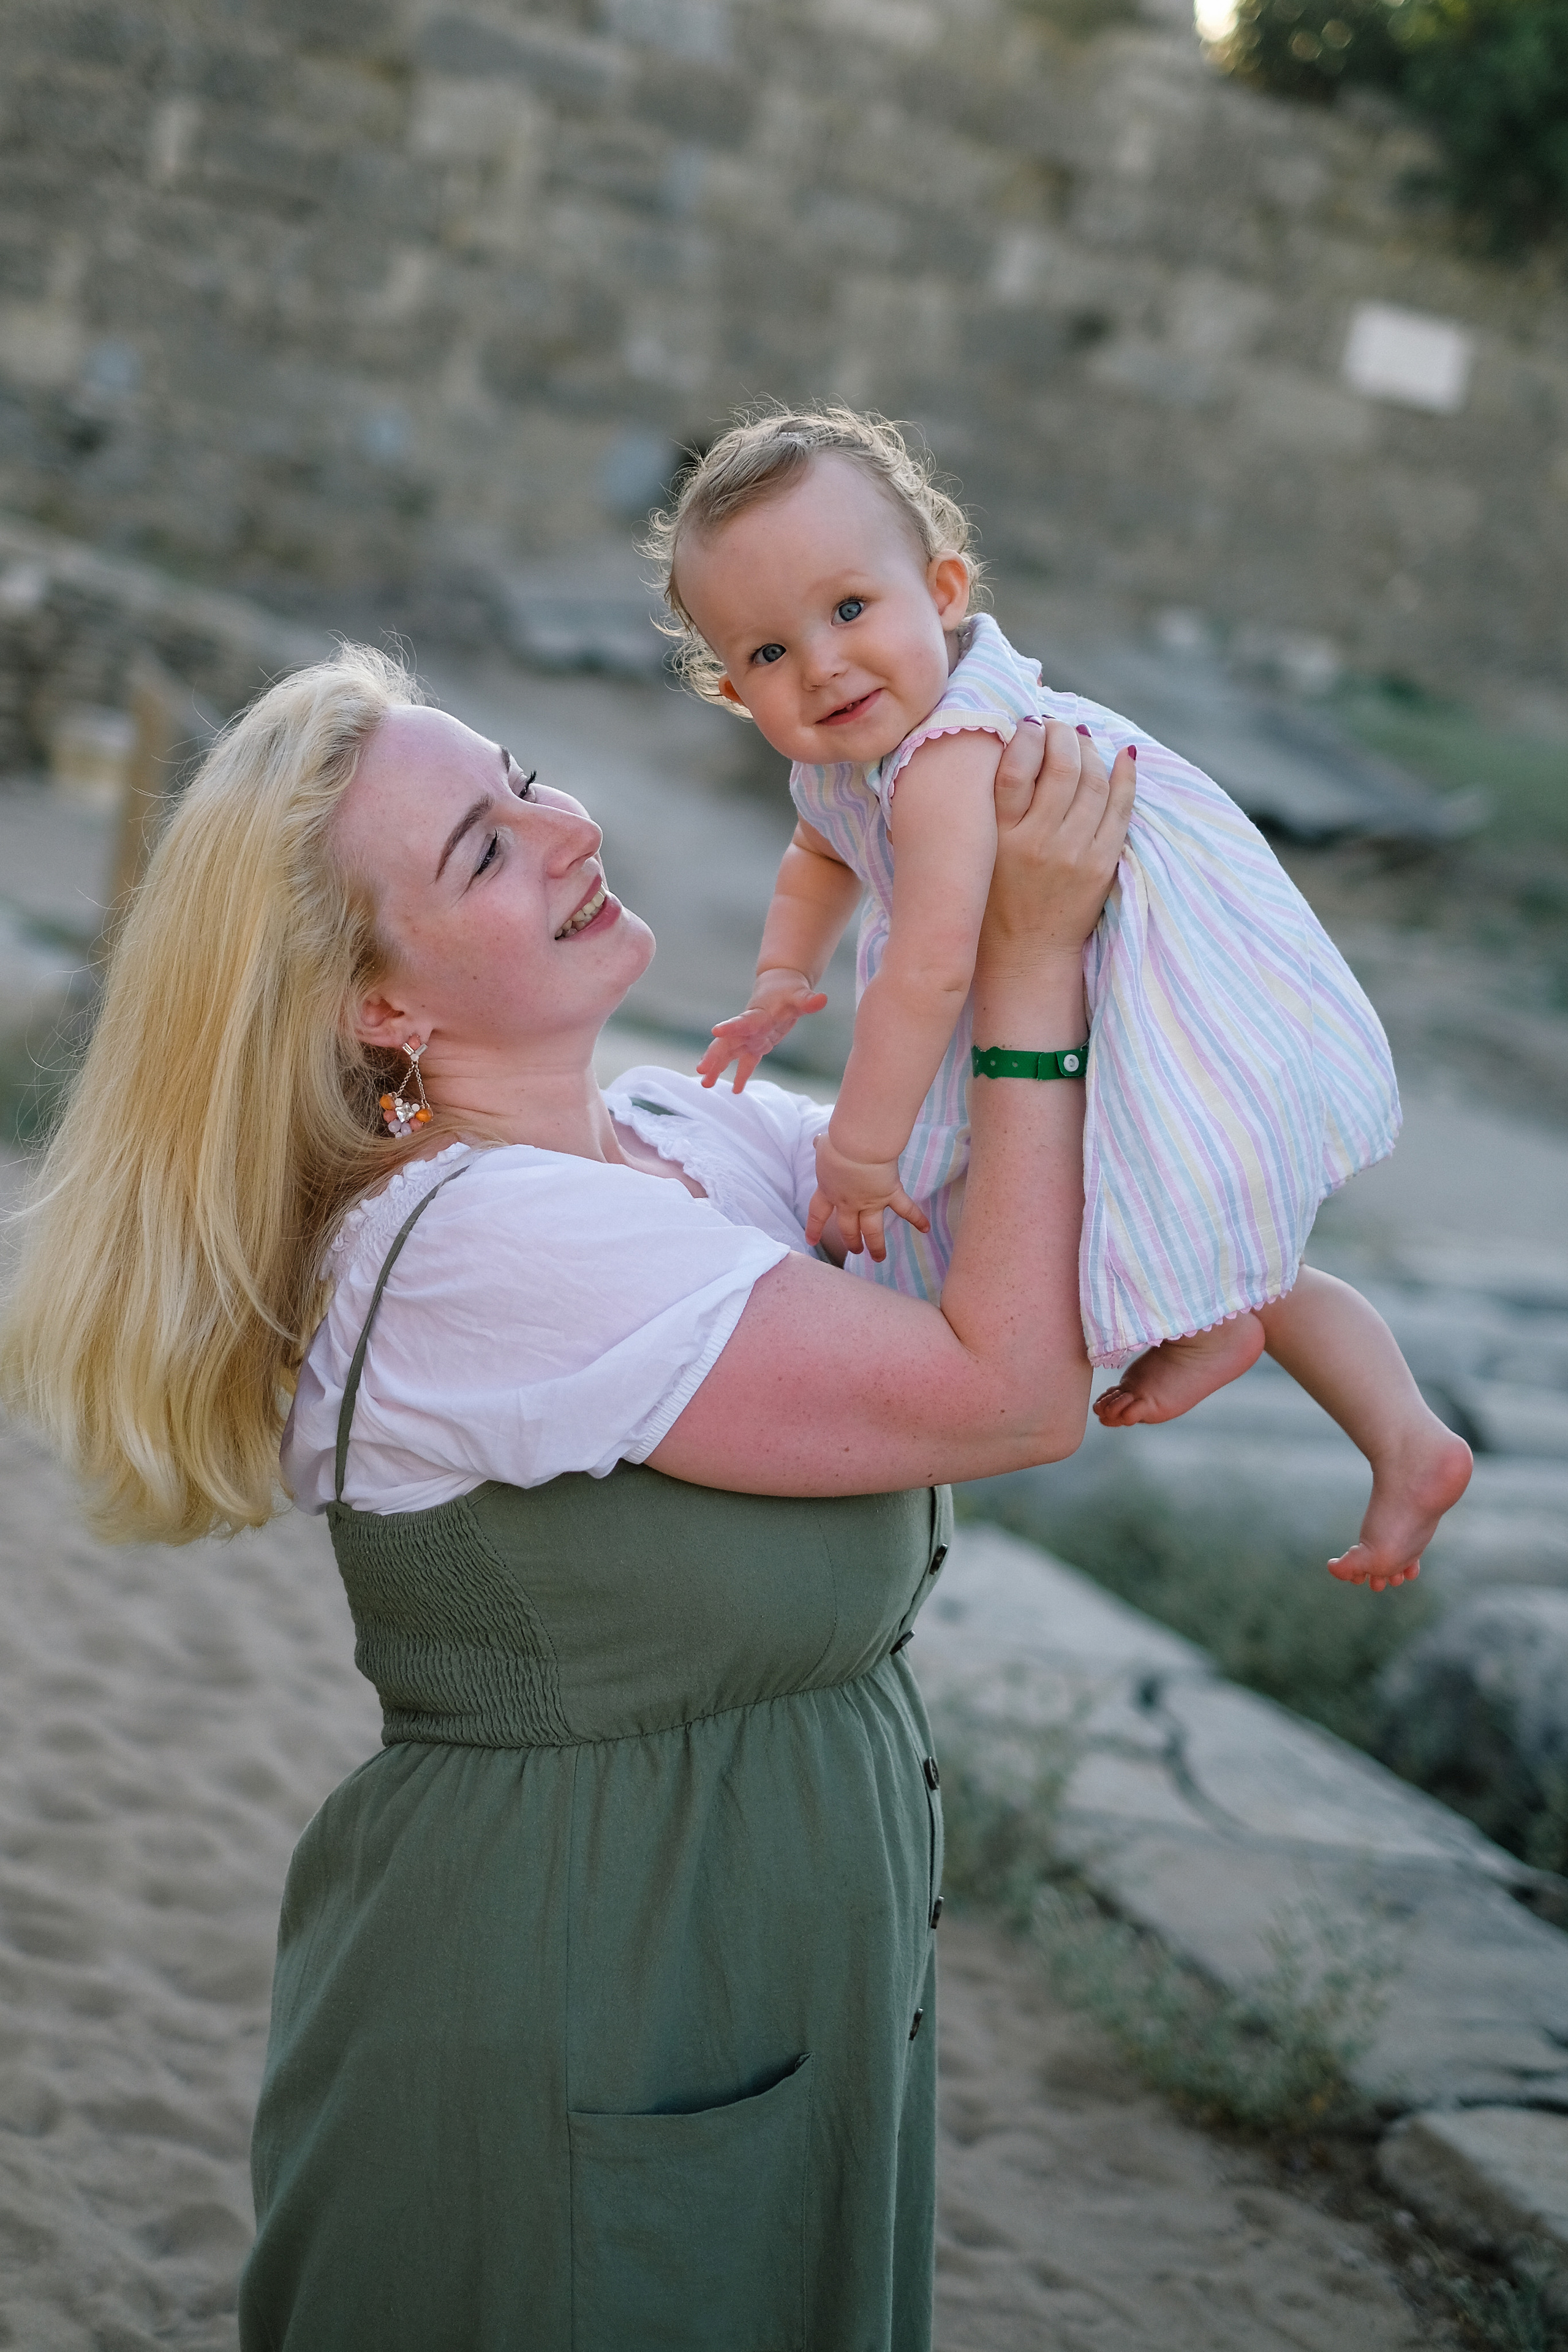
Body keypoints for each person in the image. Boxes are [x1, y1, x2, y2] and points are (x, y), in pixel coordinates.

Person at [1, 645, 1142, 2351]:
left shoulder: (686, 1132)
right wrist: (1031, 956)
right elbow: (1014, 1390)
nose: (565, 828)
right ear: (383, 1010)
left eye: (523, 779)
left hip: (764, 1997)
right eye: (482, 848)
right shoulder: (472, 1241)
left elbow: (1047, 1223)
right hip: (577, 2004)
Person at [652, 405, 1472, 1588]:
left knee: (1094, 1200)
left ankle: (1264, 1350)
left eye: (850, 609)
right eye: (770, 653)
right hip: (1063, 972)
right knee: (1156, 1217)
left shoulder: (948, 758)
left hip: (1135, 970)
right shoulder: (843, 757)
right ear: (734, 690)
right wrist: (786, 975)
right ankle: (1395, 1430)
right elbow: (820, 853)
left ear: (943, 591)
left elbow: (933, 968)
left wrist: (862, 1154)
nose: (821, 663)